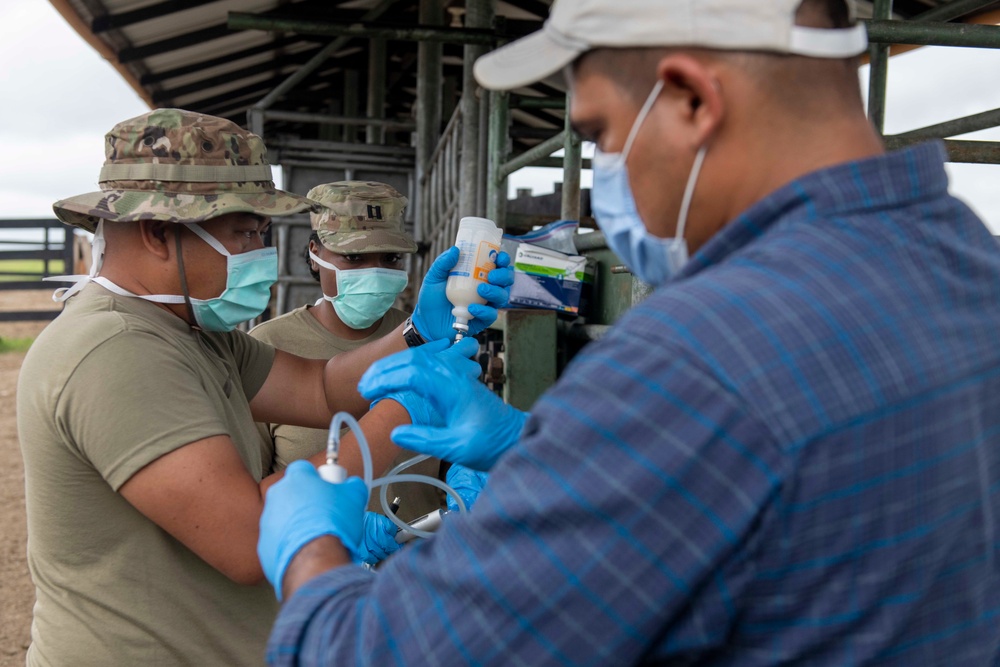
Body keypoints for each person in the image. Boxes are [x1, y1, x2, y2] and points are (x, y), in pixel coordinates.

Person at [257, 0, 1000, 664]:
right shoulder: (965, 258)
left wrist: (307, 546)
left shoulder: (698, 359)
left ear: (689, 97)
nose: (606, 172)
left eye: (602, 134)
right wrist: (528, 445)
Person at [16, 108, 512, 666]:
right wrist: (412, 405)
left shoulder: (190, 330)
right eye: (244, 231)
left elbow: (319, 389)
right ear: (159, 233)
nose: (260, 250)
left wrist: (418, 334)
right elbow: (251, 536)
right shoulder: (116, 350)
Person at [250, 181, 443, 523]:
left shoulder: (430, 339)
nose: (373, 271)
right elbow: (251, 490)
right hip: (315, 562)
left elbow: (456, 448)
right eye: (353, 257)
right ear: (315, 254)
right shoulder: (269, 345)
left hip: (417, 558)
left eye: (391, 258)